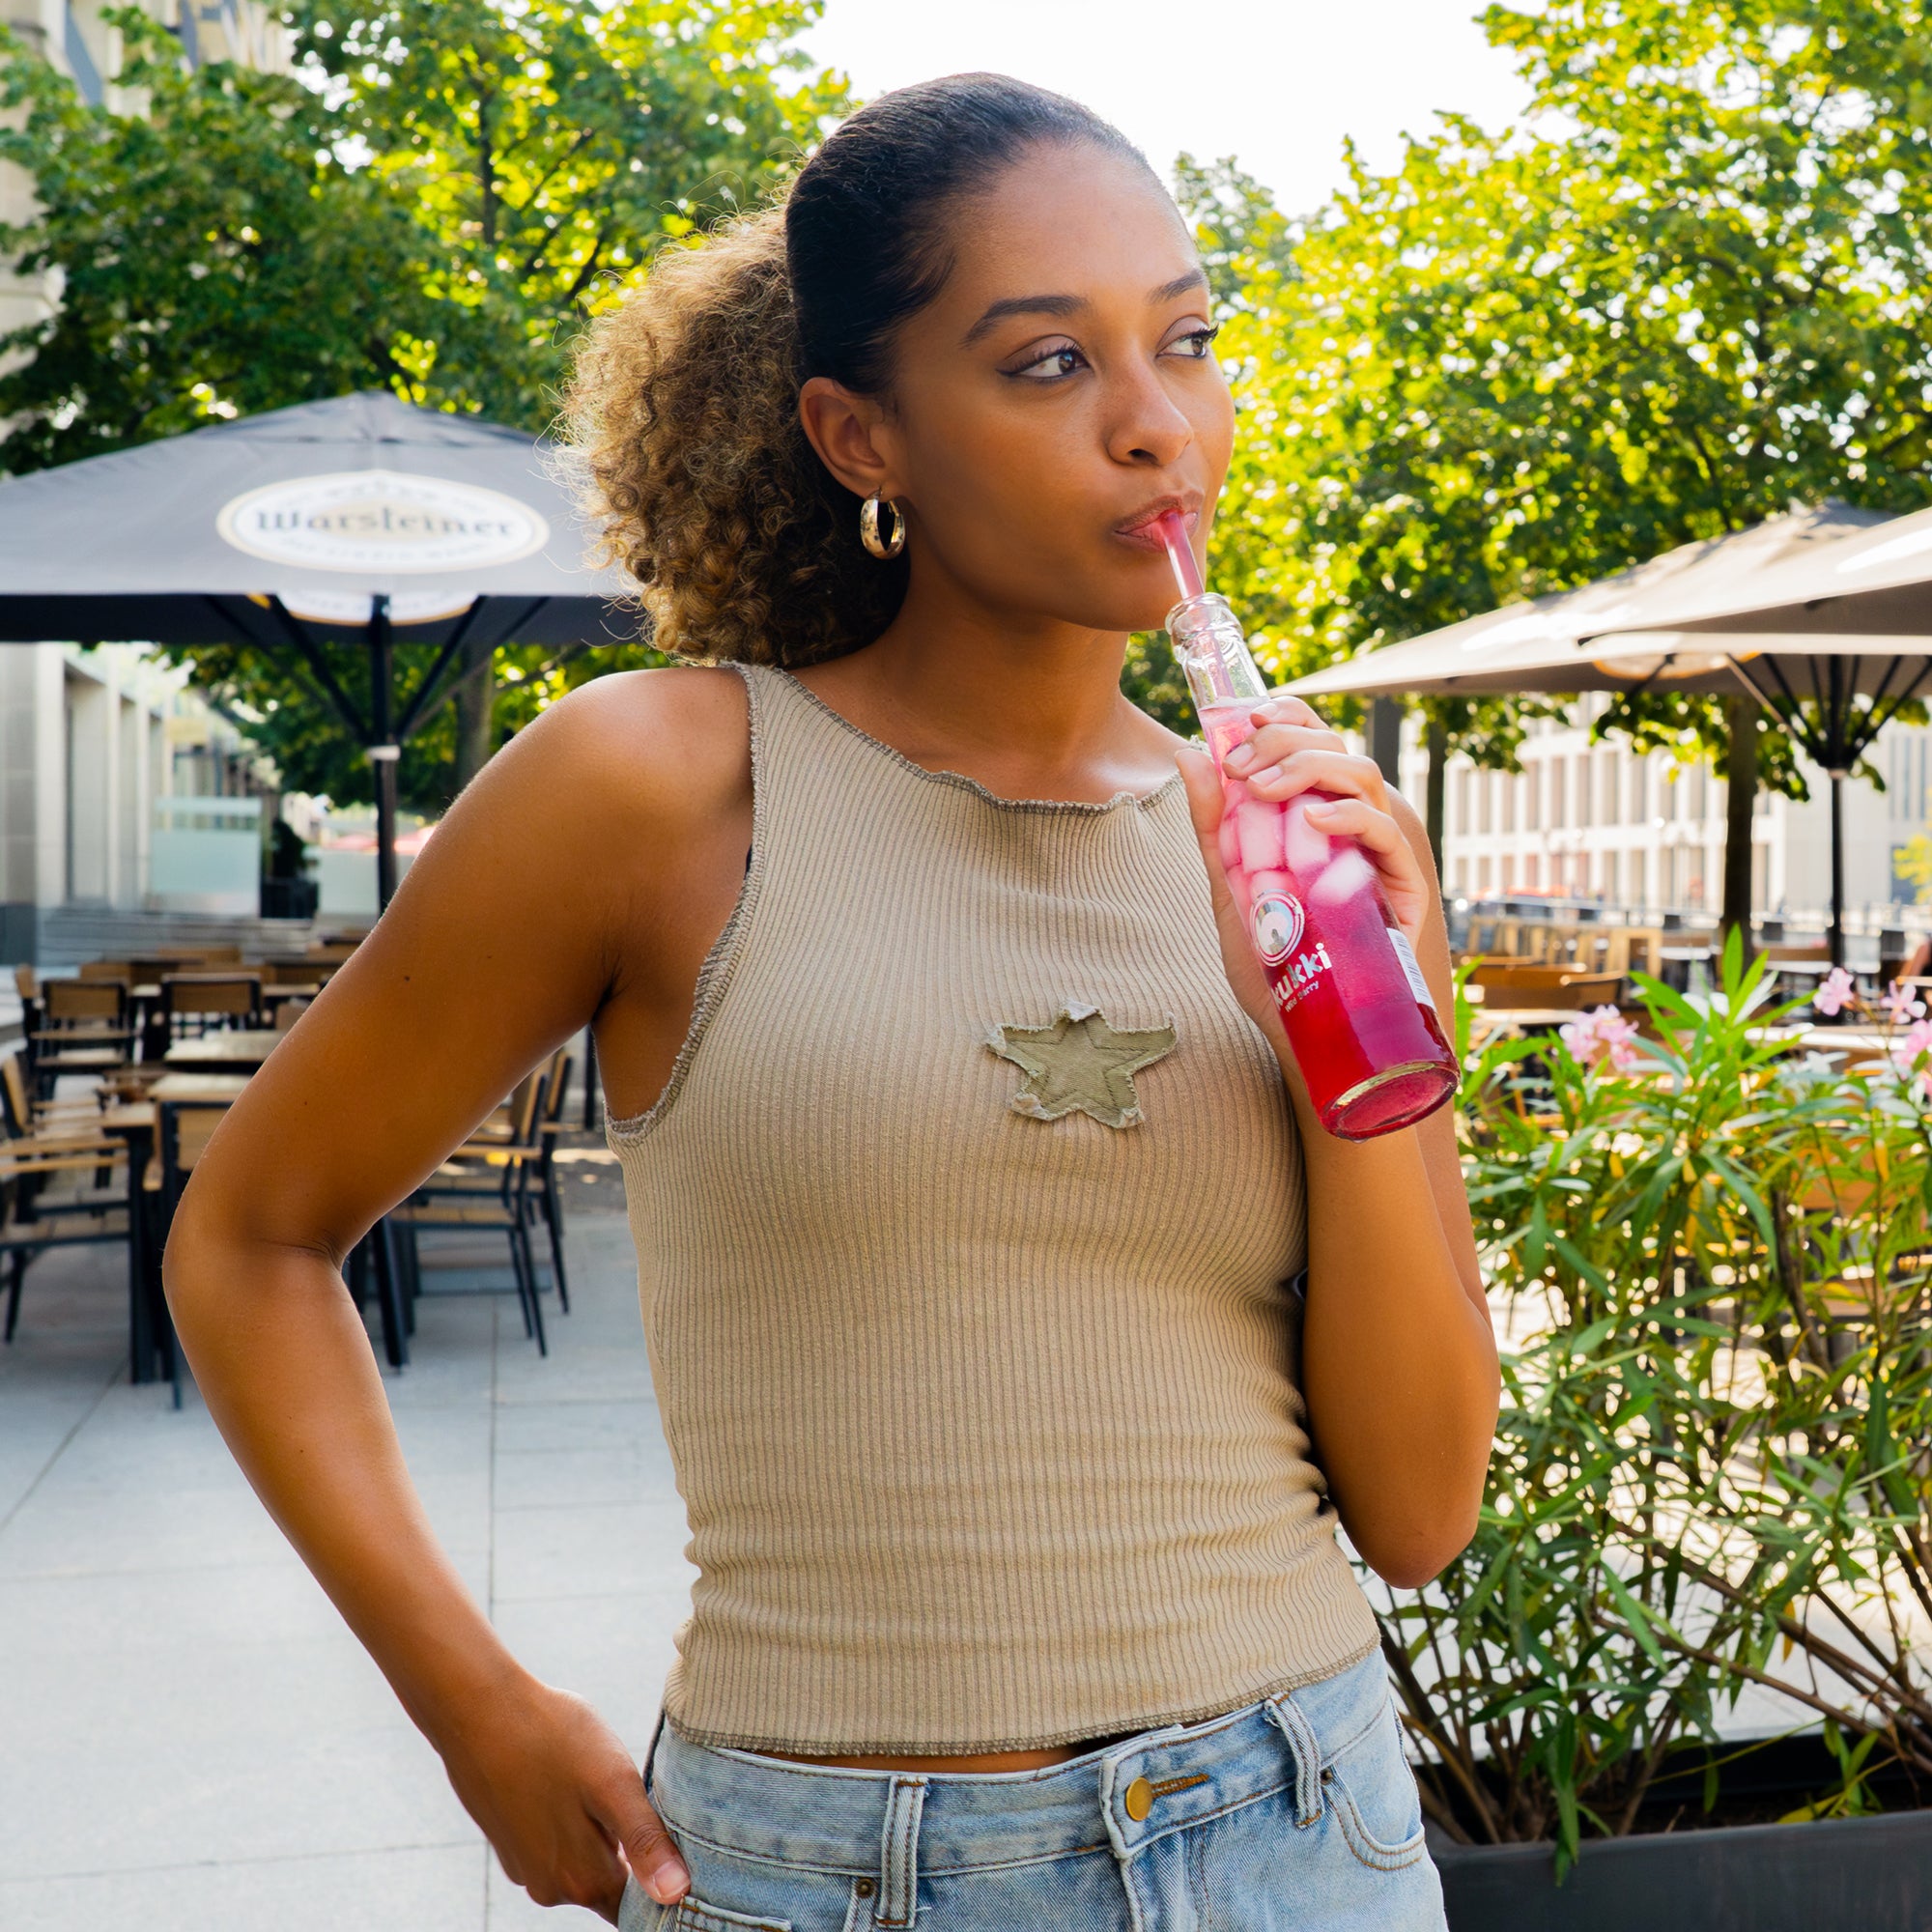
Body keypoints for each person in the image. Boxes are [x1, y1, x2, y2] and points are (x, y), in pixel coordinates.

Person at [166, 74, 1498, 1931]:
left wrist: (1359, 1041)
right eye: (1047, 364)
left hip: (1303, 1836)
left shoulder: (1314, 857)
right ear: (860, 433)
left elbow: (1422, 1514)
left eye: (1186, 342)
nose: (1154, 426)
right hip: (831, 1876)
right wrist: (465, 1704)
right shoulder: (658, 784)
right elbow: (250, 1239)